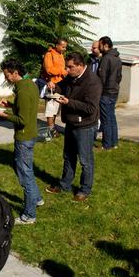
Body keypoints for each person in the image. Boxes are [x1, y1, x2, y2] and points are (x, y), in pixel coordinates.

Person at [0, 59, 43, 224]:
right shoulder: (28, 85)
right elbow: (25, 108)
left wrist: (1, 114)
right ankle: (37, 199)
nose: (5, 78)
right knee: (27, 170)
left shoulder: (24, 91)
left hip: (24, 137)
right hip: (29, 135)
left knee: (24, 174)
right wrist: (11, 105)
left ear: (15, 73)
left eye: (7, 75)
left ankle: (29, 215)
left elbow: (22, 119)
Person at [45, 53, 102, 202]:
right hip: (71, 123)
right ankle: (65, 185)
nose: (66, 70)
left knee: (85, 160)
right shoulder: (71, 77)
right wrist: (54, 86)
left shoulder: (93, 82)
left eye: (70, 67)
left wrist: (69, 102)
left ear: (80, 66)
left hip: (85, 126)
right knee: (68, 156)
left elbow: (90, 108)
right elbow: (61, 86)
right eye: (66, 66)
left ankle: (84, 190)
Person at [97, 36, 122, 150]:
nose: (99, 47)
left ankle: (106, 144)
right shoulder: (117, 58)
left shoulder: (106, 58)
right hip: (114, 91)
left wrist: (98, 91)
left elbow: (101, 77)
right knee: (112, 117)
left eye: (100, 45)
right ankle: (114, 142)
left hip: (106, 92)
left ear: (106, 45)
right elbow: (119, 76)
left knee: (106, 119)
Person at [41, 38, 68, 141]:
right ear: (57, 45)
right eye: (63, 46)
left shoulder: (61, 54)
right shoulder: (49, 54)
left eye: (65, 47)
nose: (64, 49)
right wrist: (62, 71)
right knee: (50, 108)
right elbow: (49, 69)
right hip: (52, 84)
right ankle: (50, 130)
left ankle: (53, 129)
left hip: (60, 84)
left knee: (56, 108)